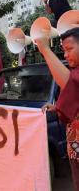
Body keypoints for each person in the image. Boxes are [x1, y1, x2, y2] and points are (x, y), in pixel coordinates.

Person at [36, 27, 79, 190]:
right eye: (63, 50)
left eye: (69, 49)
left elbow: (70, 84)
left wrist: (45, 49)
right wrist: (57, 107)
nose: (66, 55)